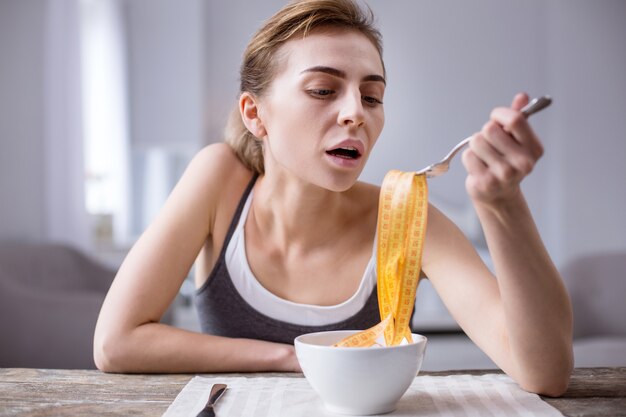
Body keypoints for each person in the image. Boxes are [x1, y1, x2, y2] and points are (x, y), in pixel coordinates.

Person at [93, 0, 573, 396]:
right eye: (323, 90)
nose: (354, 114)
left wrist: (502, 204)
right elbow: (117, 343)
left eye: (371, 96)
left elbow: (544, 373)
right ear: (255, 114)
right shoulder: (219, 178)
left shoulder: (407, 216)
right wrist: (293, 356)